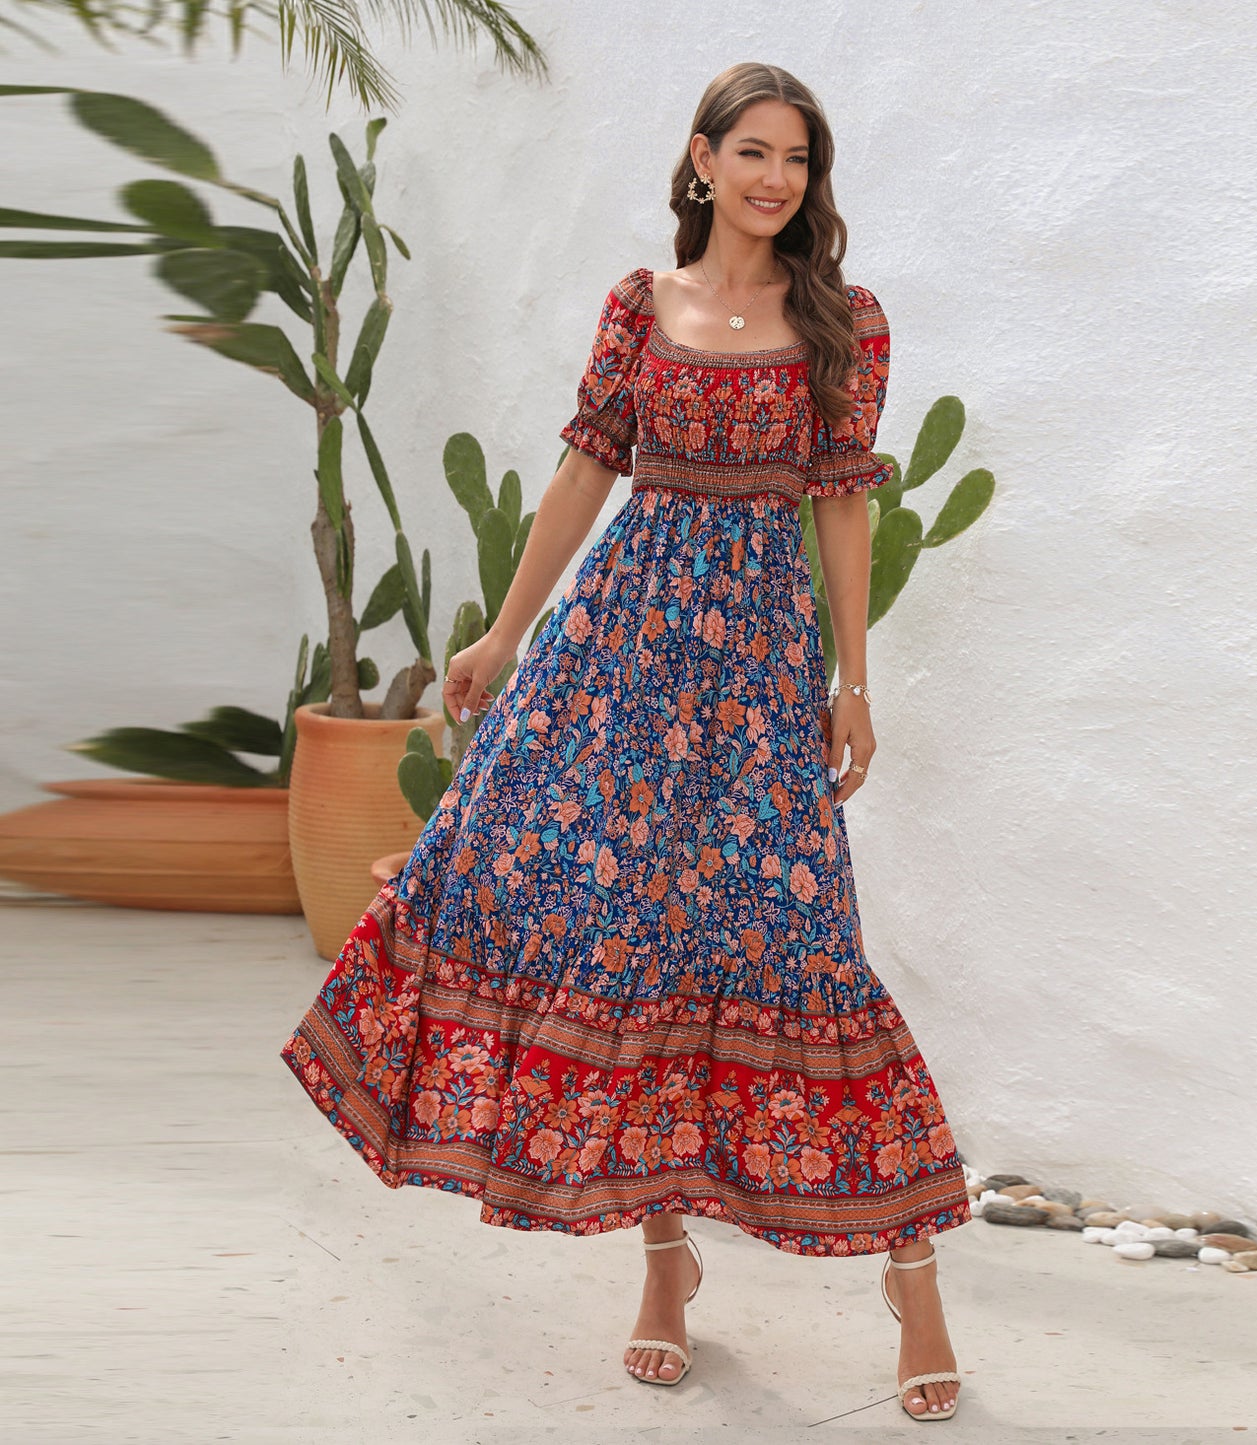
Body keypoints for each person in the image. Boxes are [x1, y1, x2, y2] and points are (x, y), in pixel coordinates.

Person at [280, 60, 974, 1422]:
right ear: (702, 160)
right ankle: (663, 1268)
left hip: (759, 675)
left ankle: (914, 1275)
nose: (776, 179)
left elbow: (842, 502)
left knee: (803, 948)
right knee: (623, 940)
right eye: (753, 151)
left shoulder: (846, 322)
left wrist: (853, 680)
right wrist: (498, 634)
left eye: (798, 159)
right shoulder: (636, 306)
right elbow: (587, 467)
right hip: (615, 656)